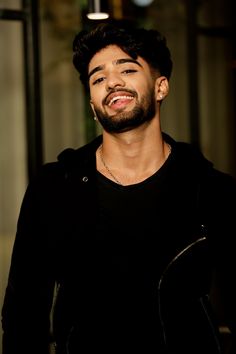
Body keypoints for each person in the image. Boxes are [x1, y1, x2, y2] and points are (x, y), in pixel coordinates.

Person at [1, 21, 236, 354]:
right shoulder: (54, 188)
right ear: (93, 106)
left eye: (127, 69)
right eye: (98, 78)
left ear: (161, 87)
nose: (112, 82)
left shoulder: (211, 190)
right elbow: (23, 314)